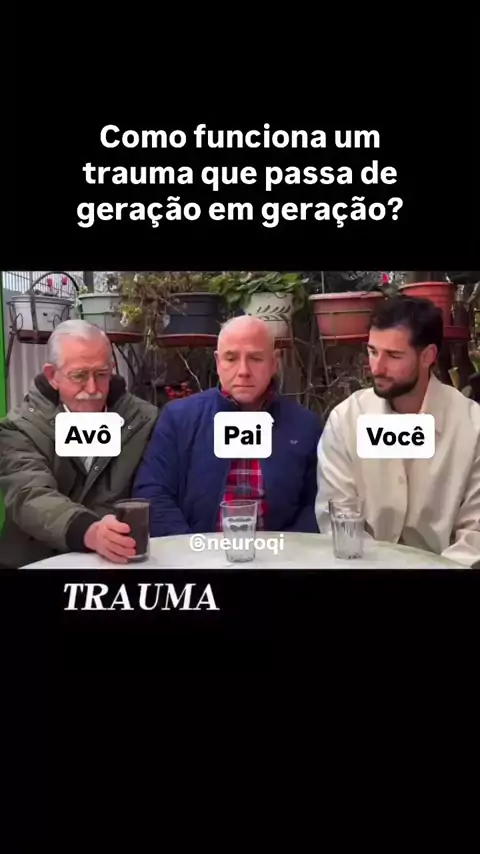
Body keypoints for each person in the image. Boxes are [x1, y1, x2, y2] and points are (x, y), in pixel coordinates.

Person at [315, 295, 480, 567]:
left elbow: (474, 535)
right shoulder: (346, 420)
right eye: (372, 351)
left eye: (393, 356)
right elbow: (339, 520)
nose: (377, 368)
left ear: (428, 356)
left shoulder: (472, 427)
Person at [132, 315, 323, 535]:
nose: (243, 371)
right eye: (231, 358)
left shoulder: (305, 425)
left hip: (279, 552)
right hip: (193, 551)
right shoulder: (178, 419)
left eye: (255, 358)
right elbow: (153, 493)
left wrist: (285, 550)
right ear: (218, 362)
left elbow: (317, 503)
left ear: (274, 363)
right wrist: (192, 550)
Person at [0, 320, 159, 567]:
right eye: (79, 376)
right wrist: (90, 531)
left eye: (101, 374)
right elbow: (29, 494)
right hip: (36, 561)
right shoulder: (19, 427)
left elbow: (156, 490)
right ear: (52, 376)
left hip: (122, 563)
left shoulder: (145, 420)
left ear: (112, 369)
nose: (93, 388)